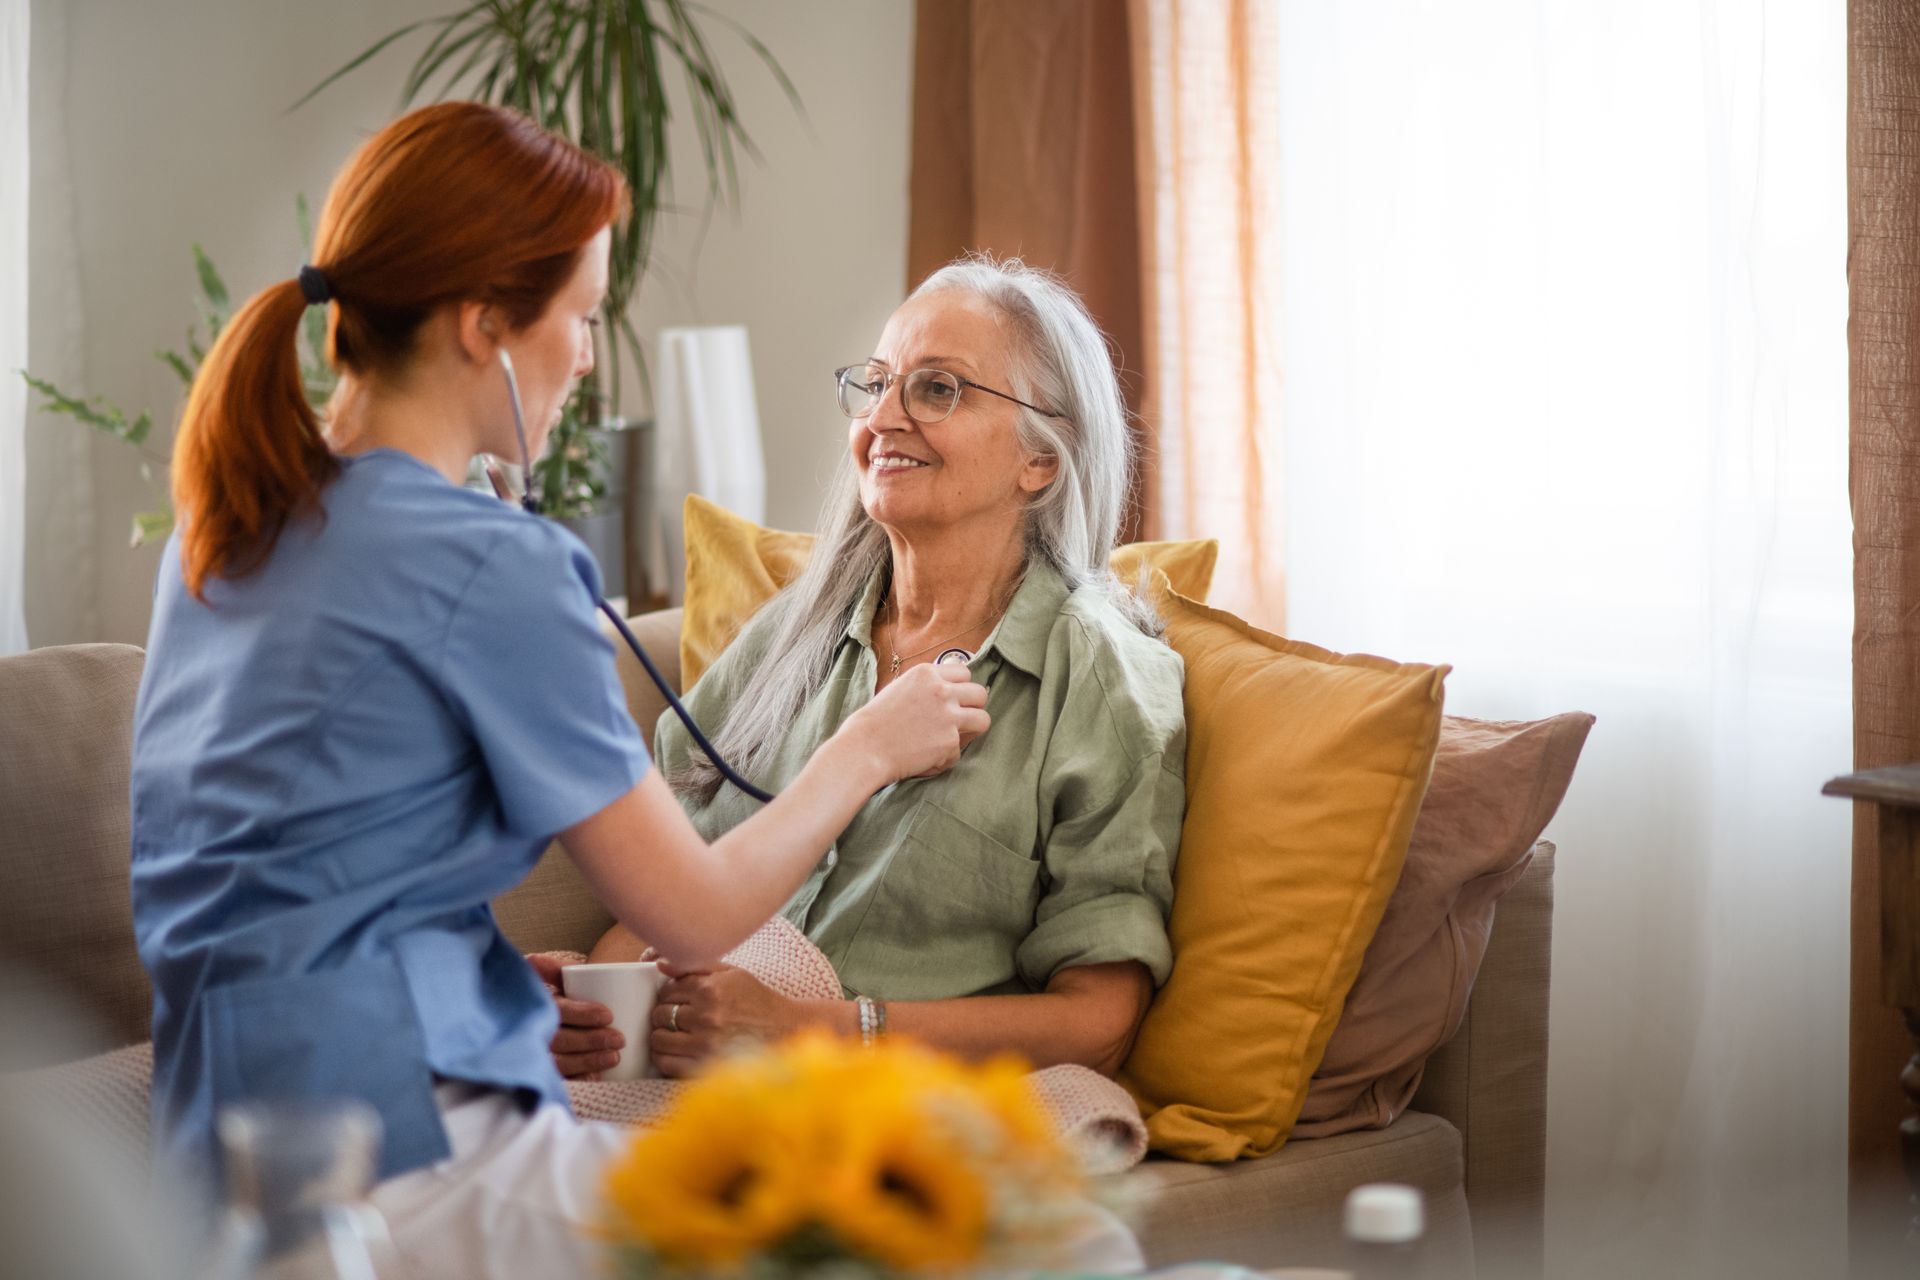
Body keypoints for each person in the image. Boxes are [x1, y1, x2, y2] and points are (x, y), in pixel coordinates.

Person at [128, 102, 992, 1279]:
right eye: (581, 317)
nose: (586, 355)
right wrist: (870, 746)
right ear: (486, 322)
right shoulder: (488, 560)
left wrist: (474, 977)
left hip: (223, 1147)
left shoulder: (223, 532)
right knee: (925, 1237)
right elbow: (690, 913)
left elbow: (274, 870)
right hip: (406, 1150)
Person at [571, 258, 1188, 1084]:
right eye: (876, 384)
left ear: (1040, 460)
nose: (884, 417)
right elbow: (657, 903)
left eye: (938, 390)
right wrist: (590, 1012)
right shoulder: (790, 634)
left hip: (882, 1105)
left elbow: (1098, 1021)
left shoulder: (1101, 681)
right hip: (700, 1081)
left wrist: (812, 1030)